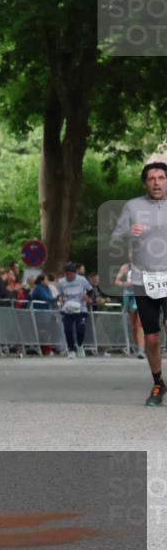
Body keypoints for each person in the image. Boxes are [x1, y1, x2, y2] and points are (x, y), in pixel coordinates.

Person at [109, 150, 167, 405]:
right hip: (144, 279)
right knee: (152, 337)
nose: (156, 182)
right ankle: (158, 384)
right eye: (152, 178)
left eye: (162, 177)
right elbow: (114, 240)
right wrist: (128, 234)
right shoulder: (133, 206)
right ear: (145, 183)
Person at [57, 262, 92, 359]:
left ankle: (80, 346)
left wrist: (87, 296)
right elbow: (59, 294)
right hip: (67, 309)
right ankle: (71, 349)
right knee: (67, 330)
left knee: (80, 329)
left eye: (71, 274)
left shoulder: (82, 280)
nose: (69, 276)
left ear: (75, 273)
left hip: (81, 308)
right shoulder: (61, 282)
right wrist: (60, 298)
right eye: (67, 274)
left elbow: (90, 289)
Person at [114, 262, 144, 359]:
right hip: (130, 295)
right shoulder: (125, 267)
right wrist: (125, 283)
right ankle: (137, 346)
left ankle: (141, 350)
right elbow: (117, 281)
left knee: (140, 324)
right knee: (135, 326)